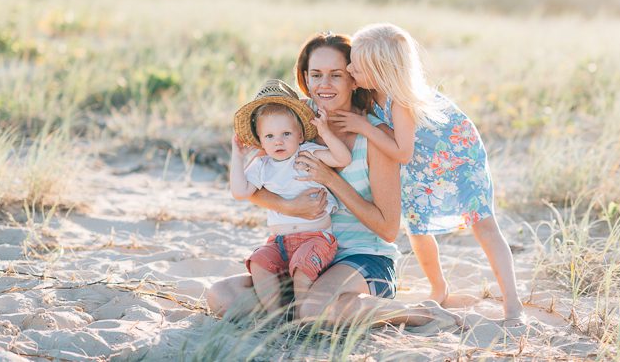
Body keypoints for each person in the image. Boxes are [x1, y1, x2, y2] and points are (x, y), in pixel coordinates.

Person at [207, 33, 463, 330]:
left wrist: (330, 178)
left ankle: (420, 313)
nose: (324, 85)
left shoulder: (373, 135)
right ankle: (305, 309)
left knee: (317, 310)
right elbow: (254, 187)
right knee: (221, 296)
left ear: (353, 79)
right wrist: (290, 206)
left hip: (361, 257)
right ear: (304, 77)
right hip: (300, 252)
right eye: (316, 75)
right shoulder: (293, 125)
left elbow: (388, 229)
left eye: (336, 75)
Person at [334, 23, 524, 325]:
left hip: (458, 158)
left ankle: (513, 305)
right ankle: (439, 288)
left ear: (380, 70)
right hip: (422, 167)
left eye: (356, 64)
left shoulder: (401, 101)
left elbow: (402, 152)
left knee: (484, 226)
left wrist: (364, 128)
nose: (348, 67)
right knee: (418, 229)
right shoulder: (372, 94)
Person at [229, 78, 352, 314]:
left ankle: (302, 316)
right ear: (260, 140)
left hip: (316, 239)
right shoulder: (262, 165)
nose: (279, 141)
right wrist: (238, 155)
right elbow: (240, 192)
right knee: (258, 262)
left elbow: (342, 159)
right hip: (280, 243)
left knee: (302, 266)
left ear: (300, 135)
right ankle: (274, 317)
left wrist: (325, 132)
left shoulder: (307, 153)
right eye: (270, 136)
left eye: (286, 133)